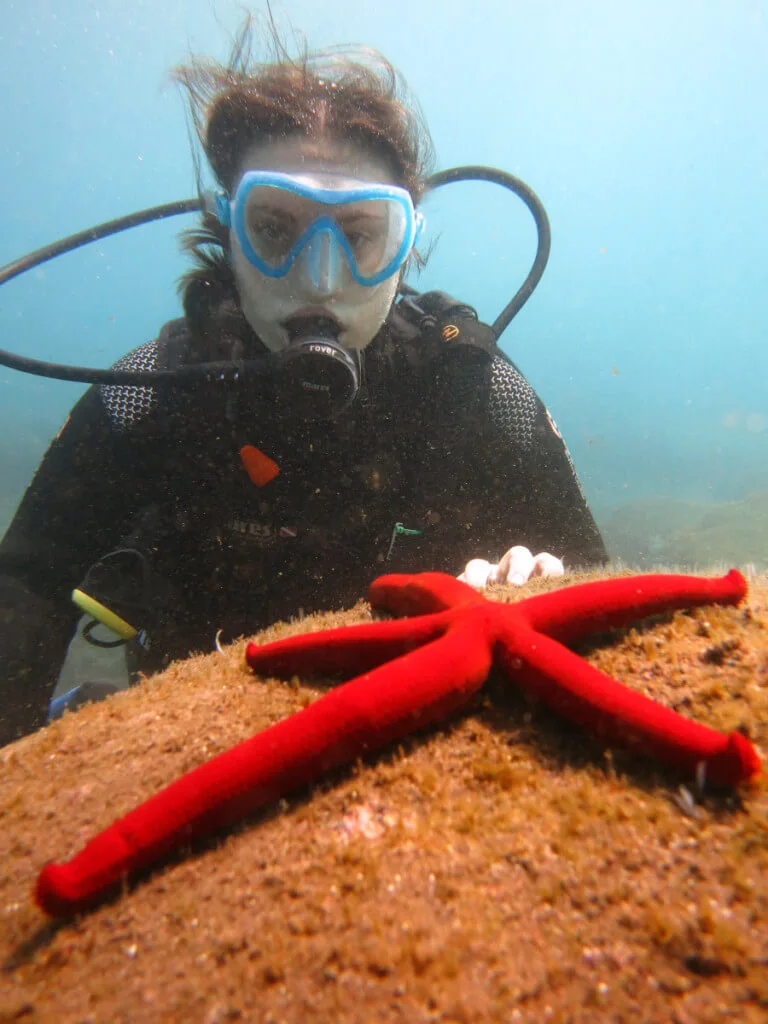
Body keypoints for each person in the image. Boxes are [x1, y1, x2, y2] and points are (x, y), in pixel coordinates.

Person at [0, 22, 607, 747]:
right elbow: (27, 588)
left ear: (405, 243)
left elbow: (602, 593)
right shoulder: (150, 397)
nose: (320, 281)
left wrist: (542, 583)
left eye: (358, 236)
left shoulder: (472, 393)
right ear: (228, 230)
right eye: (276, 229)